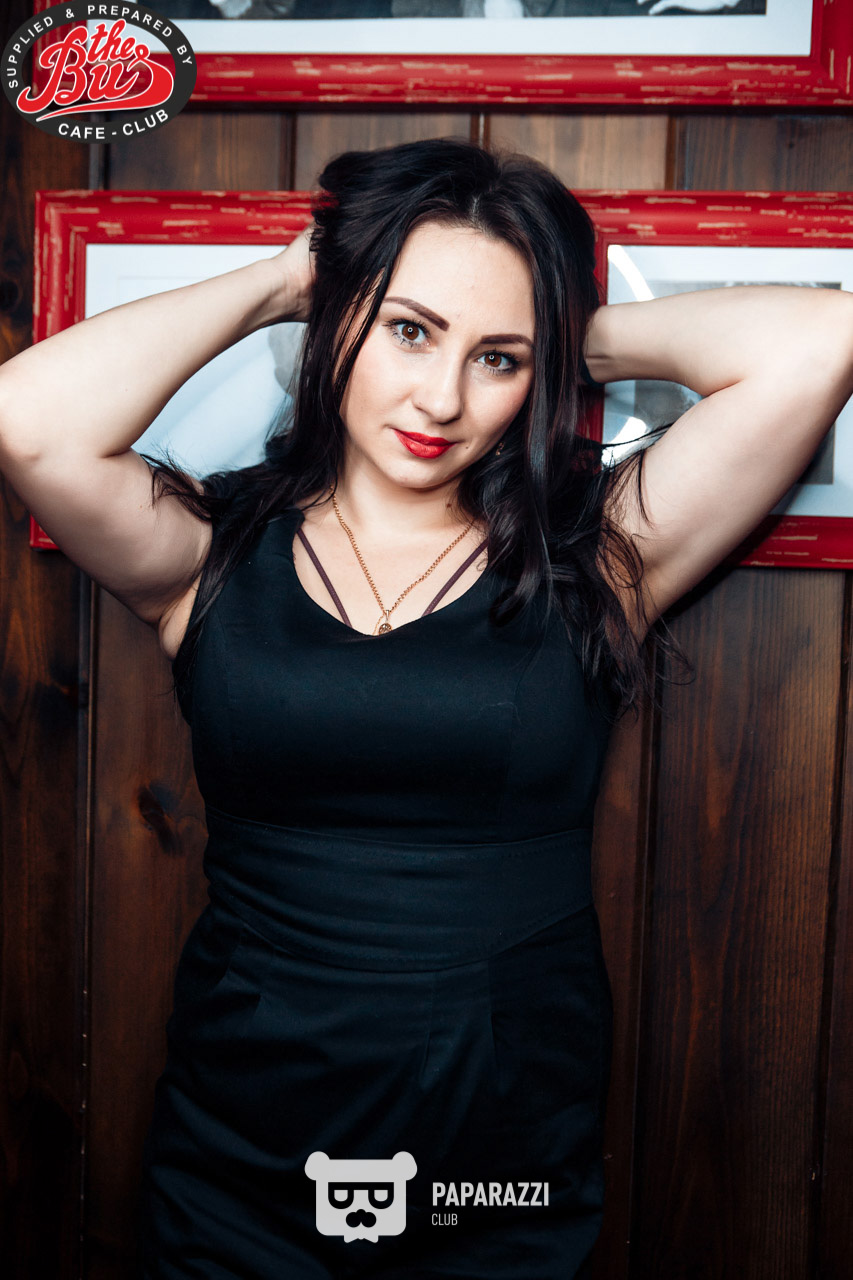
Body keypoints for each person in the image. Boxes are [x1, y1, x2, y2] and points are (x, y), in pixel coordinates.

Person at [1, 136, 851, 1279]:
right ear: (342, 316)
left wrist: (561, 329)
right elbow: (26, 419)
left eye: (497, 358)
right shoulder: (209, 554)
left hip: (495, 1164)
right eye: (409, 330)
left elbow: (820, 342)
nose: (444, 398)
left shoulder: (597, 558)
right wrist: (283, 283)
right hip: (242, 1147)